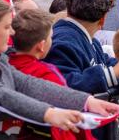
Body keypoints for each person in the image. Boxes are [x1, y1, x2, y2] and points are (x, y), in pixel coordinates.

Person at [0, 0, 119, 139]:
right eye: (6, 27)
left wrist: (87, 101)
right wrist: (49, 114)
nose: (12, 32)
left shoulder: (0, 59)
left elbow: (27, 83)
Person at [9, 8, 93, 139]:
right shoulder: (47, 74)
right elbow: (66, 120)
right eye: (51, 37)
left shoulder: (5, 67)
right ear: (41, 46)